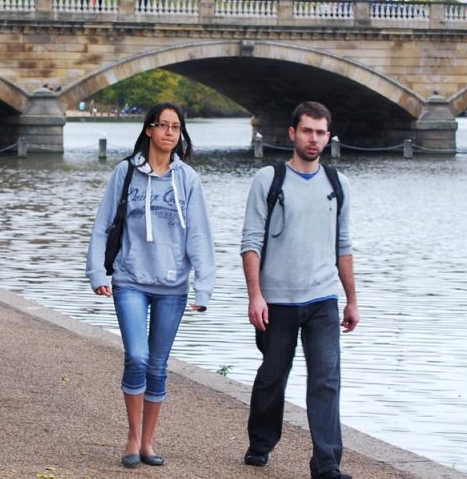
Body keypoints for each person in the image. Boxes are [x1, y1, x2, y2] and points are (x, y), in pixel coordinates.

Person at [86, 103, 215, 469]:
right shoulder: (125, 172)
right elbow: (103, 225)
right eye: (163, 126)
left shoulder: (187, 179)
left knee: (158, 365)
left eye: (176, 127)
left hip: (173, 285)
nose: (170, 133)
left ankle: (147, 441)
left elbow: (201, 235)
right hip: (130, 279)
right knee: (137, 357)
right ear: (149, 130)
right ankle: (131, 435)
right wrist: (97, 272)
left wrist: (203, 287)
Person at [240, 101, 359, 479]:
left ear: (328, 136)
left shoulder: (337, 185)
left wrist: (352, 299)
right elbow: (250, 242)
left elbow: (344, 245)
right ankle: (260, 442)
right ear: (293, 133)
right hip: (277, 299)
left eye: (321, 132)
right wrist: (255, 295)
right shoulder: (268, 180)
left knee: (325, 379)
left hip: (323, 299)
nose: (314, 139)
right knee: (274, 375)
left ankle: (326, 462)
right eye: (307, 131)